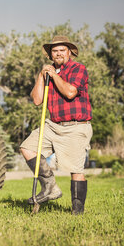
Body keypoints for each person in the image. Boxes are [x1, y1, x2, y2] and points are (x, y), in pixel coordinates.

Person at [20, 35, 93, 215]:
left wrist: (54, 76)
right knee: (27, 148)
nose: (58, 53)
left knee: (76, 170)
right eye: (55, 51)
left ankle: (77, 213)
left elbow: (70, 92)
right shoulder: (48, 72)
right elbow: (37, 100)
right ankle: (50, 187)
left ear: (69, 52)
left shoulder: (78, 68)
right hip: (53, 125)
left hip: (75, 126)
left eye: (62, 50)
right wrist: (41, 75)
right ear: (50, 55)